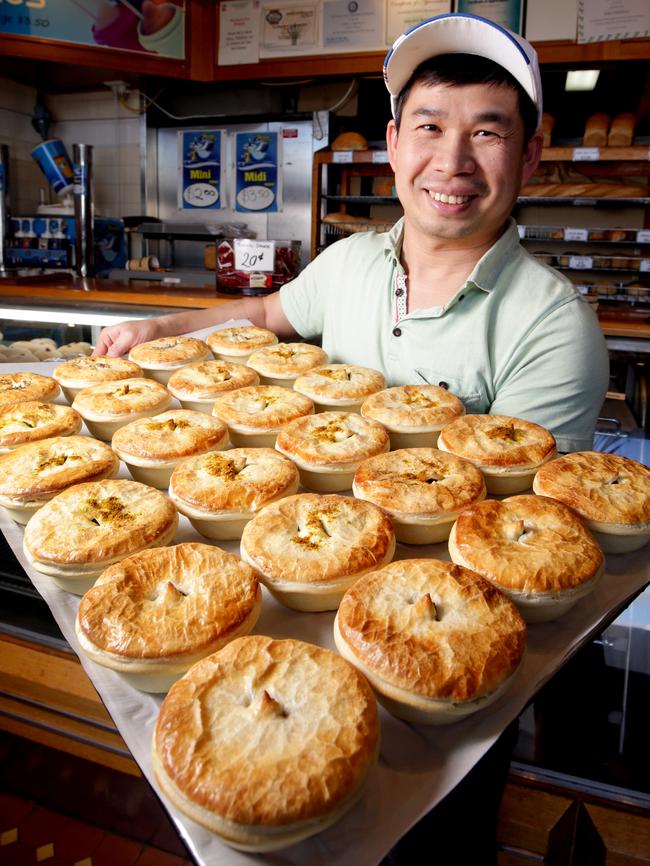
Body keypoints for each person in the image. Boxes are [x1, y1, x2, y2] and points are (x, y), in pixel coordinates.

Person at [95, 12, 609, 862]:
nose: (452, 163)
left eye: (486, 132)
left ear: (530, 152)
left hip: (430, 668)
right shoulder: (352, 262)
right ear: (395, 141)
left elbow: (512, 555)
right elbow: (265, 313)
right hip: (288, 611)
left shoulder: (552, 328)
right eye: (430, 128)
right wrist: (167, 329)